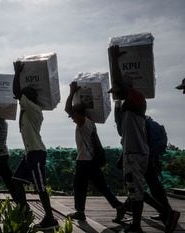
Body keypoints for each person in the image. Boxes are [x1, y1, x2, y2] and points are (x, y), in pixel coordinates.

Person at [64, 82, 125, 222]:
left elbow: (68, 109)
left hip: (85, 161)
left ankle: (80, 212)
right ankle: (118, 206)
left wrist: (72, 92)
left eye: (74, 115)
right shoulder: (89, 122)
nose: (72, 118)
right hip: (90, 161)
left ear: (79, 114)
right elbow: (70, 112)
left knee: (79, 186)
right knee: (102, 186)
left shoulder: (84, 123)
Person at [10, 61, 59, 230]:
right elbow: (19, 93)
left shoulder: (34, 109)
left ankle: (50, 218)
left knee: (40, 187)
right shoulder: (28, 108)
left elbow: (16, 92)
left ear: (30, 98)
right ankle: (25, 210)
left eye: (26, 93)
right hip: (30, 153)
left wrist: (17, 72)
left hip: (36, 153)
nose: (22, 95)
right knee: (16, 181)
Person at [109, 45, 149, 233]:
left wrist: (114, 60)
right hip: (130, 151)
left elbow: (121, 86)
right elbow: (123, 132)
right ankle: (134, 222)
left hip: (135, 152)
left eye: (117, 89)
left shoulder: (137, 98)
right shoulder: (126, 105)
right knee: (133, 190)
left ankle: (136, 226)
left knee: (136, 191)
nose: (115, 93)